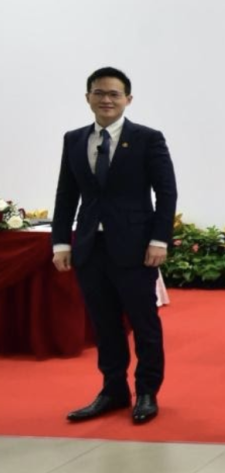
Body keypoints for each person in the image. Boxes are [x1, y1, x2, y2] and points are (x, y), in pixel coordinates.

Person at [53, 67, 178, 425]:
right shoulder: (74, 140)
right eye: (99, 93)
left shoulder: (147, 139)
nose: (106, 99)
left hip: (136, 246)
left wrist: (159, 239)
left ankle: (147, 391)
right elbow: (67, 193)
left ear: (128, 99)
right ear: (88, 97)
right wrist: (61, 240)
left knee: (144, 321)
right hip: (91, 246)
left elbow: (166, 192)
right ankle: (112, 389)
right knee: (104, 323)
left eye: (114, 94)